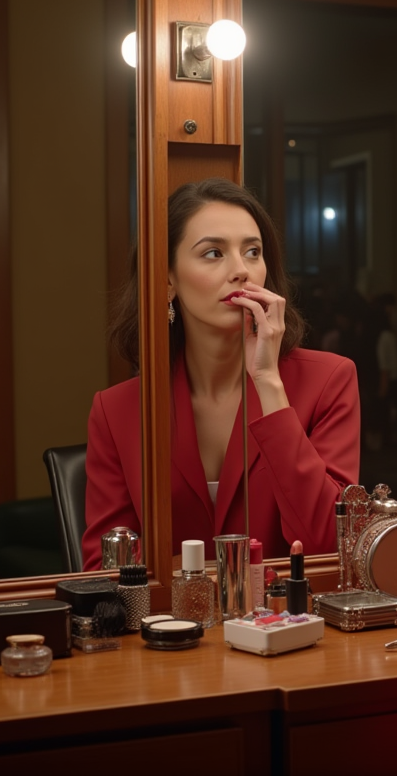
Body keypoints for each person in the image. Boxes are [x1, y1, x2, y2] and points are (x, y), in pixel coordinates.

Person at [80, 178, 360, 570]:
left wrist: (268, 384)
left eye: (253, 251)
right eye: (213, 253)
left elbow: (331, 546)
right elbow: (106, 568)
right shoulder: (116, 410)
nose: (241, 271)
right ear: (167, 280)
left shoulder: (329, 380)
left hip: (290, 625)